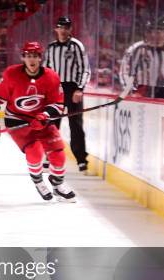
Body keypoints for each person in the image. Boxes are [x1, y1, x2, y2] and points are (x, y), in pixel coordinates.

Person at [0, 41, 76, 202]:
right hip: (17, 121)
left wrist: (45, 115)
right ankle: (38, 181)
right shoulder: (12, 74)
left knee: (59, 156)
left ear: (40, 58)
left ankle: (57, 184)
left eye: (35, 56)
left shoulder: (51, 77)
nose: (31, 60)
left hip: (43, 120)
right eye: (28, 56)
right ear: (23, 58)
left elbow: (57, 103)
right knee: (34, 152)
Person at [44, 16, 90, 173]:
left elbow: (85, 69)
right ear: (56, 29)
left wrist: (80, 88)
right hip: (56, 89)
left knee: (75, 124)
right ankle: (49, 154)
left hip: (72, 89)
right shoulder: (51, 48)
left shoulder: (77, 46)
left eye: (66, 27)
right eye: (60, 27)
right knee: (51, 123)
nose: (62, 30)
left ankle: (81, 159)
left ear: (70, 29)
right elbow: (45, 69)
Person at [120, 16, 164, 100]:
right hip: (142, 91)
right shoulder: (138, 48)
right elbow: (125, 71)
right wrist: (130, 91)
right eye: (161, 30)